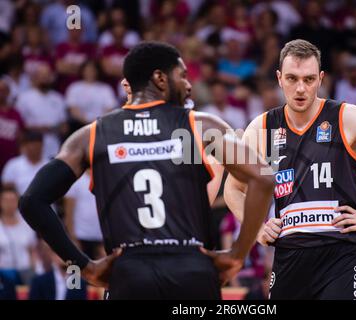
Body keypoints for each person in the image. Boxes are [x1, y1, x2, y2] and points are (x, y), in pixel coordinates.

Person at [19, 41, 274, 299]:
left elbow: (31, 200)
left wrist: (83, 266)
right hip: (191, 269)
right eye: (183, 75)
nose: (188, 85)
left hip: (130, 273)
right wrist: (238, 254)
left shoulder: (91, 135)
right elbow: (263, 177)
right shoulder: (202, 126)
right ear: (160, 78)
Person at [224, 39, 356, 300]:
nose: (301, 88)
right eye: (292, 78)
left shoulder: (347, 118)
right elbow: (233, 190)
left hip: (343, 256)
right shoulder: (262, 127)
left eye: (309, 79)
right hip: (290, 256)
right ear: (279, 78)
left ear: (321, 78)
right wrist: (257, 229)